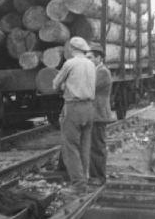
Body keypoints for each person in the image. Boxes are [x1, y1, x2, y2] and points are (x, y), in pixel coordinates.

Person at [52, 37, 96, 193]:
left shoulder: (69, 64)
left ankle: (78, 185)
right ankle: (85, 178)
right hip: (90, 108)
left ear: (71, 49)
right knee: (85, 145)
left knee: (71, 146)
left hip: (74, 108)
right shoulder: (91, 64)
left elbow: (55, 84)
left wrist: (64, 85)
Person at [86, 43, 113, 185]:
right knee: (92, 145)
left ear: (98, 58)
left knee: (97, 146)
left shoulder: (102, 72)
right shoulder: (95, 71)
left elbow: (89, 88)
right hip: (94, 113)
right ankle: (94, 175)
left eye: (90, 57)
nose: (87, 60)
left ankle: (99, 177)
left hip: (99, 114)